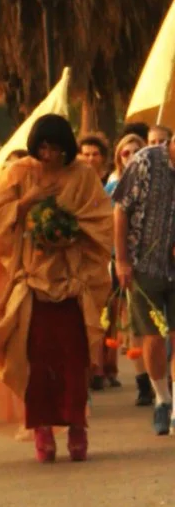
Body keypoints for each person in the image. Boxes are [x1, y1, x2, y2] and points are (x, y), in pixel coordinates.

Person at [0, 115, 113, 463]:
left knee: (74, 360)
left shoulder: (83, 175)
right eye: (42, 148)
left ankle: (77, 428)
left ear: (66, 148)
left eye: (55, 148)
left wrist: (70, 229)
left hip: (72, 282)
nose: (48, 155)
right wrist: (28, 202)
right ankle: (42, 431)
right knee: (36, 361)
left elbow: (101, 219)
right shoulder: (19, 173)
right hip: (31, 281)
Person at [113, 132, 175, 436]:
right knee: (152, 337)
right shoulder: (146, 161)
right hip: (142, 264)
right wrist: (122, 260)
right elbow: (121, 209)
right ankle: (162, 399)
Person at [103, 135, 152, 405]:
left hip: (156, 261)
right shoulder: (111, 189)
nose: (131, 156)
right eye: (125, 153)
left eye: (137, 151)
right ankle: (143, 382)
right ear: (118, 157)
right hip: (123, 263)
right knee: (134, 321)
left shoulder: (159, 184)